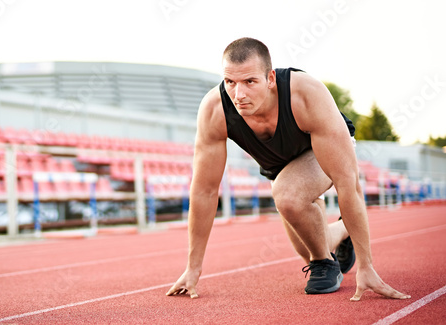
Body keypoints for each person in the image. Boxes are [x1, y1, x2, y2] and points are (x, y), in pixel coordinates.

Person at [166, 37, 410, 301]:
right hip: (282, 168)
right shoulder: (215, 110)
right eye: (230, 82)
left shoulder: (305, 94)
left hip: (321, 150)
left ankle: (325, 264)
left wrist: (366, 266)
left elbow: (347, 184)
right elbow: (204, 190)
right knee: (312, 241)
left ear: (270, 78)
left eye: (250, 81)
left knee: (287, 195)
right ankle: (341, 233)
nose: (239, 94)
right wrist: (193, 268)